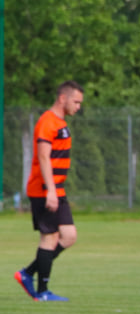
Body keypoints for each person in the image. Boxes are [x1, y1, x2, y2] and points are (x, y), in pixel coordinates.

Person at [14, 81, 84, 302]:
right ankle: (42, 292)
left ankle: (28, 273)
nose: (79, 106)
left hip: (56, 188)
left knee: (69, 236)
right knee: (50, 237)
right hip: (43, 189)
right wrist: (50, 191)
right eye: (76, 101)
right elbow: (43, 157)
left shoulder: (60, 122)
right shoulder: (47, 122)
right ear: (62, 98)